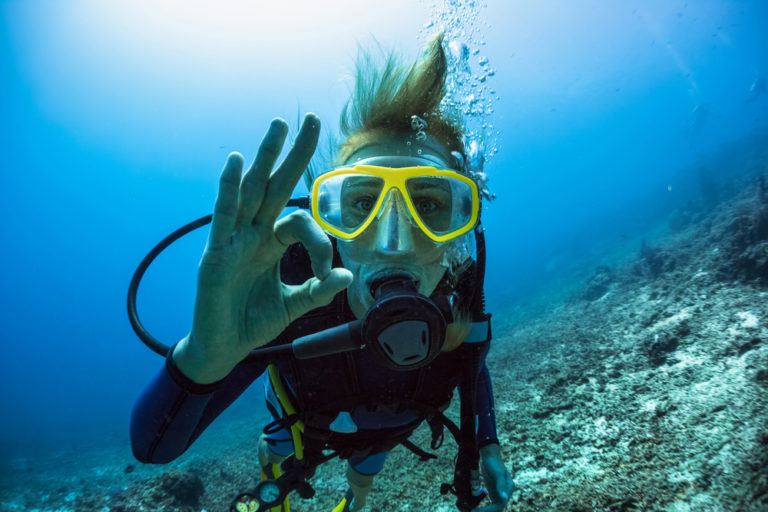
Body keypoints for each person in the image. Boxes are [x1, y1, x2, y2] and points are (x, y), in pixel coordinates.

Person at [130, 34, 514, 512]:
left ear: (459, 231)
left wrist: (489, 446)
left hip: (384, 435)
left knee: (365, 472)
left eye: (430, 204)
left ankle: (355, 502)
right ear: (329, 219)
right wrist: (203, 359)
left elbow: (474, 370)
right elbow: (152, 450)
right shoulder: (292, 286)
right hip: (296, 422)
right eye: (361, 203)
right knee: (280, 452)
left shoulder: (461, 289)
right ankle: (277, 471)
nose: (392, 242)